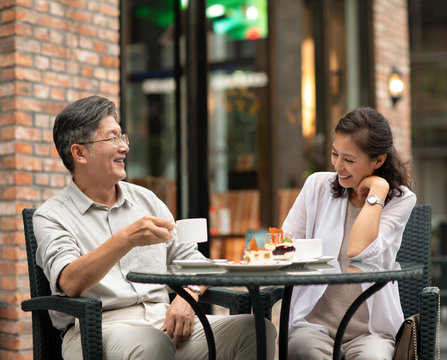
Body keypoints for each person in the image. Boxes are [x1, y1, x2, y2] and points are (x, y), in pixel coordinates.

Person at [33, 95, 276, 360]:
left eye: (122, 137)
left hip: (165, 323)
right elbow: (69, 282)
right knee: (152, 344)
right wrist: (125, 239)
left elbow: (193, 260)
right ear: (79, 153)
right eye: (112, 139)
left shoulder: (145, 200)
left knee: (256, 330)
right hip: (98, 328)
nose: (123, 147)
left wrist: (188, 296)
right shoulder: (51, 215)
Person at [282, 107, 416, 359]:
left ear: (378, 160)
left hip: (370, 331)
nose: (338, 166)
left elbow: (360, 251)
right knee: (302, 350)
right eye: (335, 154)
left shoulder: (401, 200)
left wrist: (377, 189)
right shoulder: (317, 186)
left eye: (349, 160)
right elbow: (284, 246)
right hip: (315, 325)